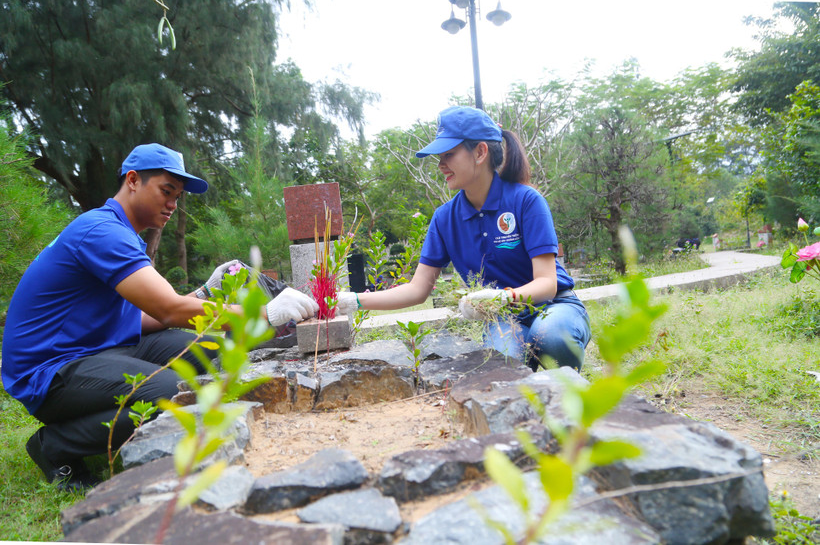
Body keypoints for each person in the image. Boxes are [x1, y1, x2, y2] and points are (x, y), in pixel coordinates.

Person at [1, 143, 318, 491]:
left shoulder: (123, 236)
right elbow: (168, 309)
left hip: (99, 349)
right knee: (171, 392)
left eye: (178, 196)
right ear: (133, 180)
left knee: (212, 351)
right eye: (166, 191)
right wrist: (265, 314)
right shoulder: (102, 232)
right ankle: (55, 446)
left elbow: (145, 317)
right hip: (50, 373)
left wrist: (203, 293)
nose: (172, 204)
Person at [337, 106, 591, 371]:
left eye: (449, 154)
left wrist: (501, 297)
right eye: (439, 156)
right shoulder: (445, 218)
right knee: (503, 361)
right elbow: (418, 289)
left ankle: (567, 392)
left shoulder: (526, 201)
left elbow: (547, 283)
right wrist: (354, 301)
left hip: (553, 306)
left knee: (550, 335)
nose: (440, 165)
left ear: (480, 152)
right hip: (503, 319)